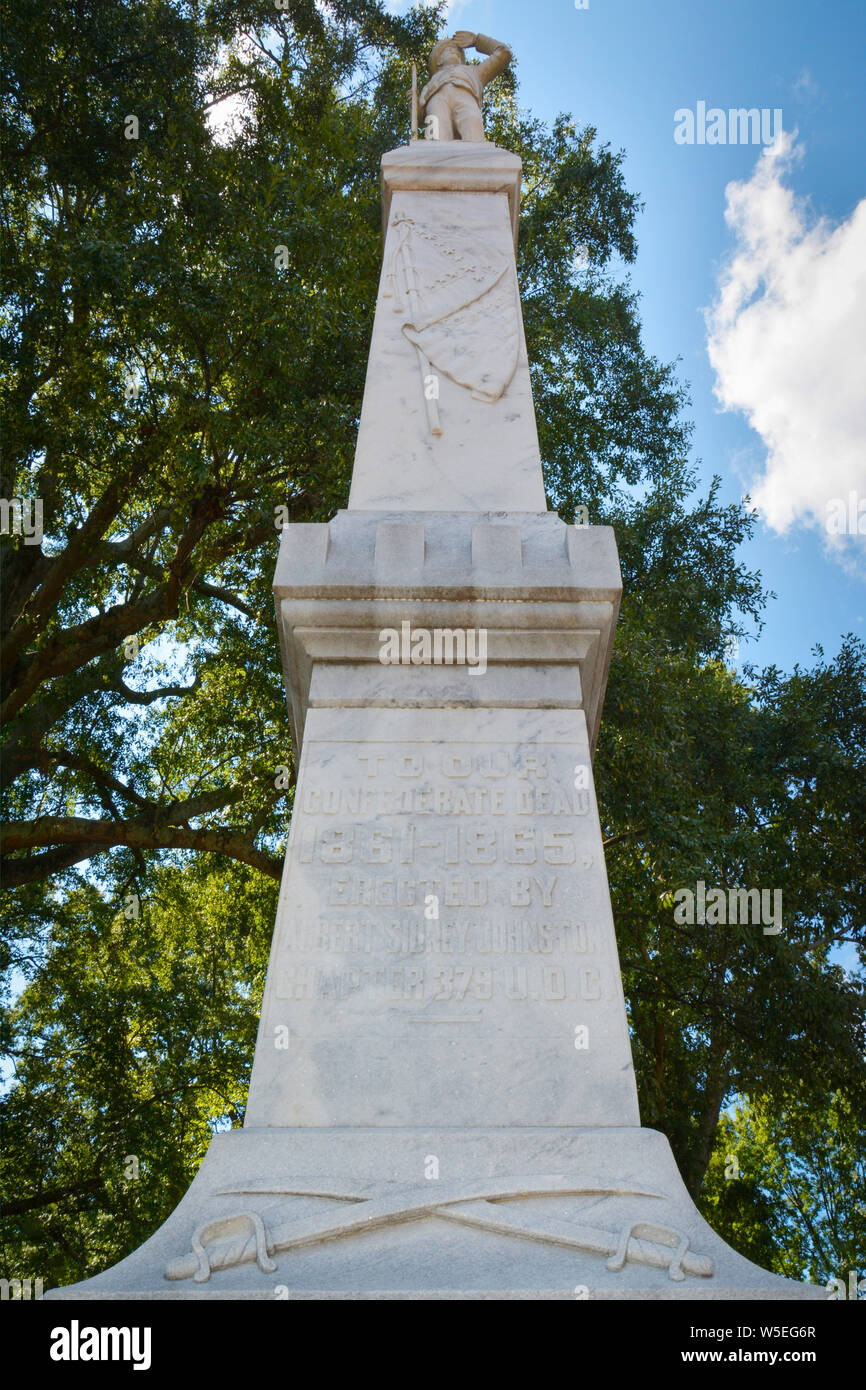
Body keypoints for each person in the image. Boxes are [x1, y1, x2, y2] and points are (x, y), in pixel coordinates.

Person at [418, 31, 512, 142]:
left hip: (466, 98)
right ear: (439, 60)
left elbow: (503, 53)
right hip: (437, 100)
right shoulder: (431, 83)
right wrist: (414, 106)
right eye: (449, 50)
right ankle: (436, 158)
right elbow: (420, 118)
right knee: (437, 133)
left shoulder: (474, 72)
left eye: (458, 51)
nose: (454, 51)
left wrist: (476, 41)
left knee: (472, 125)